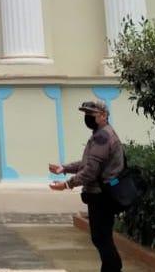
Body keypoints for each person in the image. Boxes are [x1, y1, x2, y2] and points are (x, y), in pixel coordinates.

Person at [48, 99, 125, 272]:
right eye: (86, 114)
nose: (87, 118)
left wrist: (67, 184)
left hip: (102, 195)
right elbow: (88, 163)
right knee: (101, 238)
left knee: (101, 238)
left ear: (103, 116)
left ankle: (114, 268)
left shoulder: (103, 136)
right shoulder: (101, 134)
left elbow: (90, 171)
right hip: (101, 193)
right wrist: (65, 168)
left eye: (91, 114)